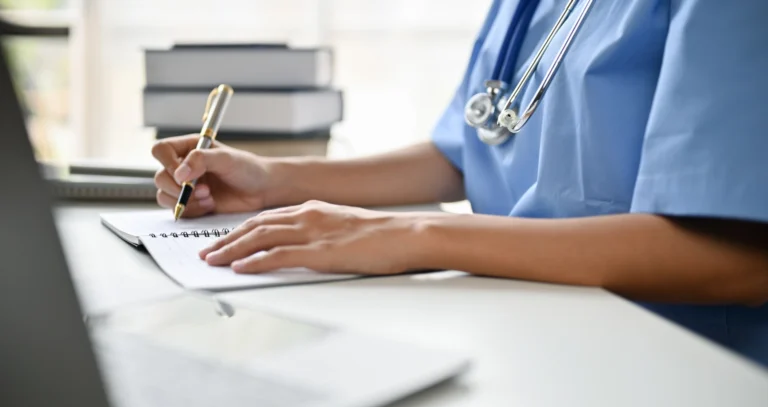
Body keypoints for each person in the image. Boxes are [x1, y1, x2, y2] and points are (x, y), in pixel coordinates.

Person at [152, 0, 768, 366]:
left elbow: (739, 261)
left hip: (675, 365)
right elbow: (475, 145)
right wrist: (275, 180)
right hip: (527, 333)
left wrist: (420, 234)